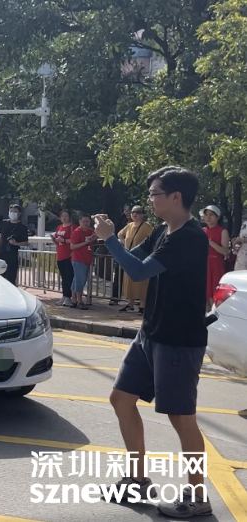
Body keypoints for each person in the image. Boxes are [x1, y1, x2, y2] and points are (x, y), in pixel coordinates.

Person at [93, 166, 210, 517]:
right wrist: (111, 237)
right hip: (151, 333)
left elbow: (139, 271)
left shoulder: (190, 237)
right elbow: (136, 258)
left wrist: (109, 239)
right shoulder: (162, 229)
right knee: (121, 398)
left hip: (178, 340)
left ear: (176, 197)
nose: (149, 201)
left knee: (181, 418)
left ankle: (198, 496)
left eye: (154, 194)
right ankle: (138, 480)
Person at [116, 206, 154, 314]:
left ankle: (142, 306)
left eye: (138, 212)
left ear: (143, 214)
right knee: (129, 281)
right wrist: (124, 244)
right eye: (133, 212)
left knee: (142, 282)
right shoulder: (129, 225)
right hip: (129, 255)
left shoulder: (147, 226)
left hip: (141, 257)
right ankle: (130, 304)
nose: (134, 214)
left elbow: (152, 239)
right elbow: (120, 234)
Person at [201, 205, 230, 309]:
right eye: (206, 215)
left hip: (216, 265)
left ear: (217, 217)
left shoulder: (222, 231)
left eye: (211, 215)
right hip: (204, 264)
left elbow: (225, 251)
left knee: (215, 294)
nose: (208, 217)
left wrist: (210, 242)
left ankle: (216, 314)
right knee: (205, 294)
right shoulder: (203, 231)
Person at [0, 204, 29, 285]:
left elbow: (26, 242)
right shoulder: (4, 223)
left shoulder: (22, 227)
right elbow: (0, 236)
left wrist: (16, 243)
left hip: (12, 255)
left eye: (15, 211)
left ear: (19, 214)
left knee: (11, 278)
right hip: (1, 253)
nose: (12, 213)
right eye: (11, 211)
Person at [69, 214, 96, 310]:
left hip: (87, 258)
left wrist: (93, 238)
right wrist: (86, 242)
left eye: (87, 221)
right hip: (78, 259)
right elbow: (72, 246)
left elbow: (94, 238)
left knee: (77, 280)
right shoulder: (76, 232)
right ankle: (79, 301)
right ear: (79, 222)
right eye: (84, 221)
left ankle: (74, 300)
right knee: (80, 280)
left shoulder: (90, 231)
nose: (86, 223)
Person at [52, 209, 76, 307]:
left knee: (69, 277)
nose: (64, 218)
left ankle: (69, 297)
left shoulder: (73, 227)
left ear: (70, 217)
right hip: (60, 254)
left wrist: (64, 240)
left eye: (66, 216)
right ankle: (64, 295)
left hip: (69, 255)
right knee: (63, 277)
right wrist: (55, 240)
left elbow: (75, 240)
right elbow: (58, 241)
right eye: (62, 216)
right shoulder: (59, 227)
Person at [109, 205, 132, 305]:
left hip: (133, 251)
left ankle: (134, 299)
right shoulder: (122, 221)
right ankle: (115, 297)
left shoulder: (139, 224)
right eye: (125, 210)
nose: (127, 212)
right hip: (122, 250)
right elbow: (118, 233)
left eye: (129, 210)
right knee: (118, 274)